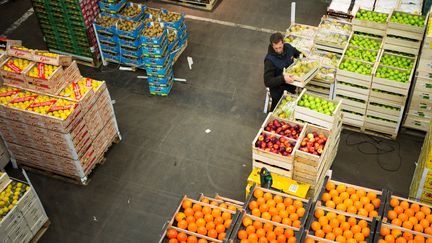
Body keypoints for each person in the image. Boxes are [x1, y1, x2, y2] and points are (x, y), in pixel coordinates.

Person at [264, 32, 302, 111]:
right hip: (279, 93)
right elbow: (267, 81)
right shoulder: (269, 60)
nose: (278, 50)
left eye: (280, 47)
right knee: (277, 113)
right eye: (276, 48)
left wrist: (303, 59)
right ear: (272, 46)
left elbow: (297, 54)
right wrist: (283, 79)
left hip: (292, 87)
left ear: (283, 43)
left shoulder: (288, 48)